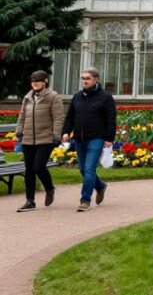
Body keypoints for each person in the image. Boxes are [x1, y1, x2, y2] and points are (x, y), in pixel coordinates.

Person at [61, 67, 116, 212]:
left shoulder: (105, 97)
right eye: (83, 79)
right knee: (83, 169)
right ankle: (100, 186)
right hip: (79, 138)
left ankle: (85, 200)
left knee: (89, 169)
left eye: (88, 78)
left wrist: (109, 138)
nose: (85, 81)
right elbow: (70, 116)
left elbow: (111, 119)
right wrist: (66, 132)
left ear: (96, 79)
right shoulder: (78, 97)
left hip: (97, 138)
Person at [14, 71, 64, 212]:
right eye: (33, 81)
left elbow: (58, 118)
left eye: (38, 81)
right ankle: (30, 201)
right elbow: (22, 116)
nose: (35, 84)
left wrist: (56, 136)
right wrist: (19, 131)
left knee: (39, 167)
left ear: (45, 82)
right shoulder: (28, 97)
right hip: (28, 139)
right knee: (29, 170)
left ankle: (49, 188)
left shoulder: (53, 97)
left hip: (45, 138)